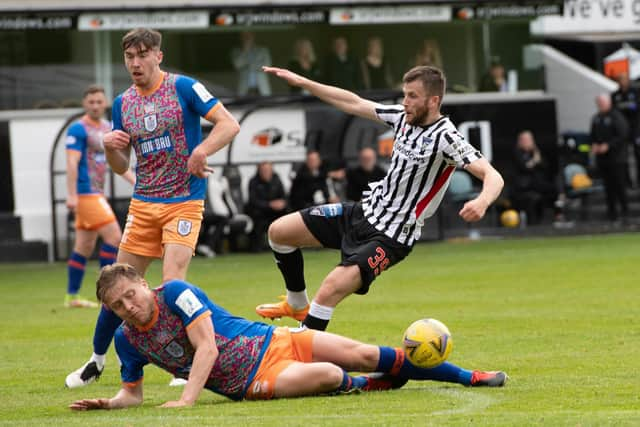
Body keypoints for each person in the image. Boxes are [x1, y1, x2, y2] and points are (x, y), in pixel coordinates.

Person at [256, 65, 504, 331]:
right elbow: (351, 102)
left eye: (412, 96)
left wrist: (482, 201)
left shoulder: (446, 137)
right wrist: (303, 82)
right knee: (279, 232)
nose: (405, 102)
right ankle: (296, 304)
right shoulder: (401, 117)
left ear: (434, 101)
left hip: (391, 237)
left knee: (330, 289)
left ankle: (301, 355)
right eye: (404, 94)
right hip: (364, 212)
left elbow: (492, 175)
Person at [69, 264, 507, 410]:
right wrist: (108, 403)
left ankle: (471, 376)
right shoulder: (127, 340)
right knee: (330, 374)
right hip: (250, 383)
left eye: (130, 295)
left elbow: (207, 346)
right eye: (118, 306)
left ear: (144, 285)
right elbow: (134, 395)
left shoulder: (177, 293)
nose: (129, 306)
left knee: (366, 352)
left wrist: (186, 401)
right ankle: (368, 385)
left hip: (275, 340)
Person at [65, 28, 241, 388]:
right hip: (144, 204)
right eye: (129, 57)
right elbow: (119, 165)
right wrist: (112, 147)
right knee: (117, 284)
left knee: (173, 285)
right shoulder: (122, 104)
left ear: (158, 56)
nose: (135, 63)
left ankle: (188, 364)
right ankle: (97, 360)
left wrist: (202, 150)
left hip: (184, 201)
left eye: (142, 55)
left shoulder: (184, 88)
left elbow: (229, 124)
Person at [64, 85, 135, 308]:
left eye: (99, 102)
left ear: (105, 104)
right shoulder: (78, 129)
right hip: (87, 193)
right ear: (84, 104)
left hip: (97, 193)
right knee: (114, 238)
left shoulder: (107, 128)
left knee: (84, 247)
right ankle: (109, 294)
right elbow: (72, 162)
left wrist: (137, 183)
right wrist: (72, 194)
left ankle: (71, 297)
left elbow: (118, 164)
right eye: (91, 102)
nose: (95, 105)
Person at [590, 94, 630, 222]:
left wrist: (608, 146)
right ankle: (612, 214)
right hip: (603, 160)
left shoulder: (616, 116)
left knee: (619, 187)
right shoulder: (596, 118)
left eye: (602, 103)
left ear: (608, 102)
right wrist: (595, 145)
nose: (600, 105)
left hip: (617, 159)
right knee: (608, 188)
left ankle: (625, 213)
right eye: (599, 103)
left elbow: (623, 135)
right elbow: (592, 136)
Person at [512, 131, 559, 224]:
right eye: (525, 140)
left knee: (554, 190)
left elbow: (545, 166)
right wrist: (534, 161)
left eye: (529, 139)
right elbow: (524, 167)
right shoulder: (517, 153)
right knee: (535, 196)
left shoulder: (535, 152)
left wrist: (537, 157)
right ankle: (533, 222)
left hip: (538, 184)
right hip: (524, 186)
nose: (528, 142)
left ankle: (557, 215)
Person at [246, 162, 288, 251]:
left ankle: (286, 244)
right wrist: (269, 205)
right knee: (257, 218)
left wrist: (282, 203)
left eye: (268, 170)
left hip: (276, 212)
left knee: (287, 216)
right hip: (260, 212)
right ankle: (257, 247)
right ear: (259, 171)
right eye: (264, 170)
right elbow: (253, 201)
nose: (266, 172)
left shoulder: (277, 180)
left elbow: (283, 196)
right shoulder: (253, 182)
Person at [611, 72, 640, 187]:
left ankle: (638, 180)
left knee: (638, 155)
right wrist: (628, 107)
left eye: (624, 79)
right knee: (623, 156)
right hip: (621, 130)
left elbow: (636, 108)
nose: (622, 82)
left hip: (636, 129)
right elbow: (614, 111)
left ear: (628, 80)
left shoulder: (636, 92)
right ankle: (627, 181)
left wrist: (626, 107)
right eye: (620, 79)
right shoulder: (615, 95)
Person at [230, 32, 272, 96]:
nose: (247, 39)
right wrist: (245, 50)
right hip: (244, 88)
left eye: (249, 36)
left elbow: (268, 66)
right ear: (241, 38)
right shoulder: (236, 51)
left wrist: (252, 66)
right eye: (245, 37)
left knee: (266, 104)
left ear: (253, 37)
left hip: (261, 87)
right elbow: (237, 65)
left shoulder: (262, 50)